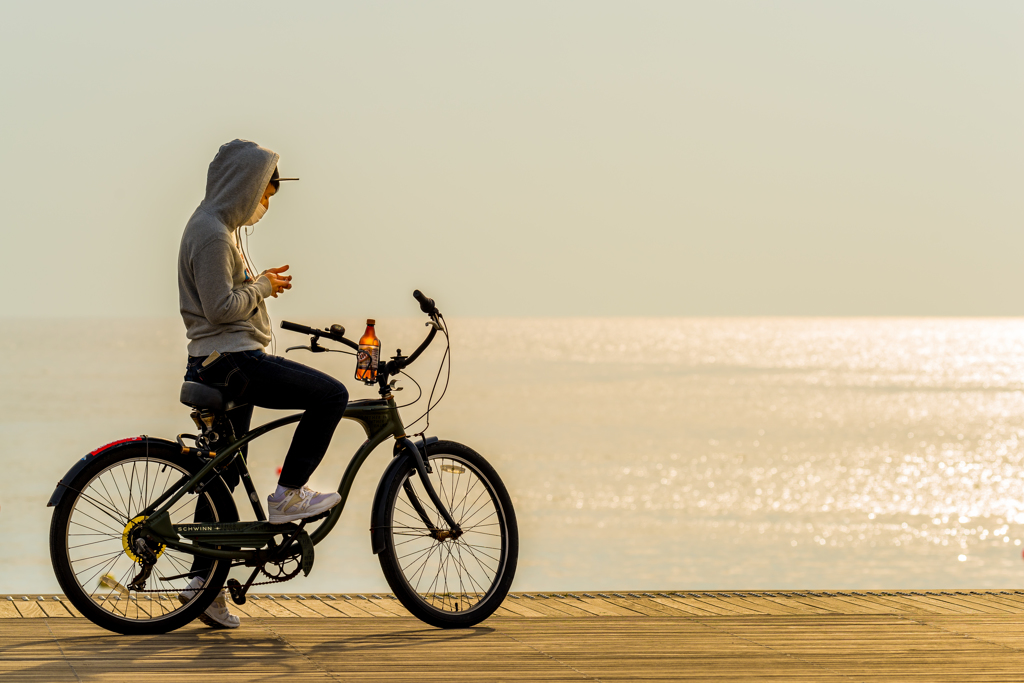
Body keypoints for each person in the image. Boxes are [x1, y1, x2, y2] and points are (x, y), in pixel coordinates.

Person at [175, 139, 348, 628]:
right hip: (230, 362)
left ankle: (203, 588)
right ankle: (289, 493)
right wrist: (263, 287)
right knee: (331, 395)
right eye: (265, 192)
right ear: (245, 186)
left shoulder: (217, 229)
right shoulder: (211, 234)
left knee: (222, 480)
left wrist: (258, 283)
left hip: (217, 361)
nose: (266, 204)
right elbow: (220, 309)